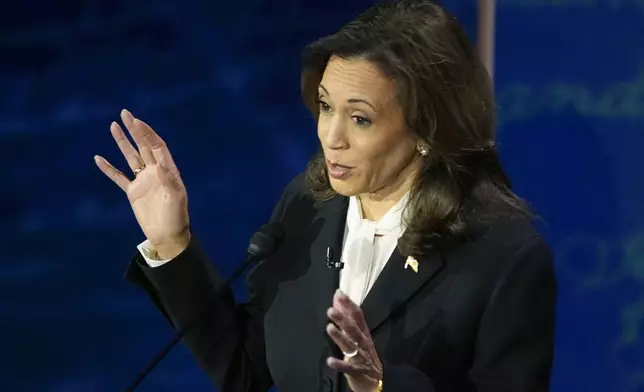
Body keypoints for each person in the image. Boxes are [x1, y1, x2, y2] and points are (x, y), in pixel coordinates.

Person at [94, 1, 557, 391]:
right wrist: (174, 244)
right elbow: (244, 368)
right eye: (325, 106)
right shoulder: (309, 205)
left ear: (426, 130)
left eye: (360, 119)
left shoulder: (503, 256)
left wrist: (381, 386)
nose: (330, 136)